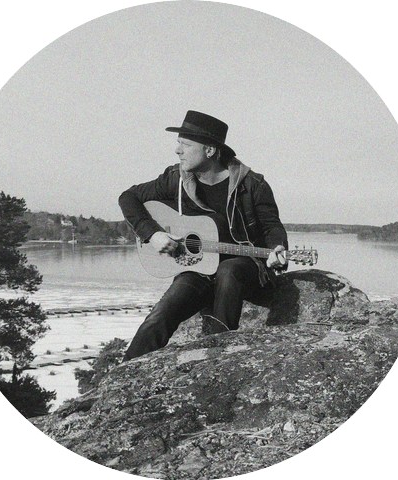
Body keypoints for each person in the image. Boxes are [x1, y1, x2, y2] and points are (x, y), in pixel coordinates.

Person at [119, 110, 288, 361]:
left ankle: (216, 360)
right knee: (160, 315)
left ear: (210, 150)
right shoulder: (176, 179)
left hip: (244, 270)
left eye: (186, 145)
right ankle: (124, 373)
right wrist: (152, 234)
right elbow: (128, 197)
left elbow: (271, 226)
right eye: (179, 143)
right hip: (198, 268)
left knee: (228, 271)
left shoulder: (251, 184)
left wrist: (278, 248)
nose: (178, 150)